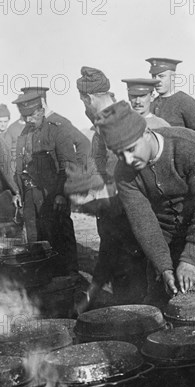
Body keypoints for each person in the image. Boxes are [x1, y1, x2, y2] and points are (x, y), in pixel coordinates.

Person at [96, 101, 195, 304]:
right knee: (162, 300)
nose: (127, 159)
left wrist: (190, 259)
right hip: (167, 233)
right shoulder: (124, 174)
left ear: (146, 132)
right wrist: (164, 268)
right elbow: (144, 223)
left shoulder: (190, 147)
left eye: (131, 149)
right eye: (119, 154)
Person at [72, 67, 148, 308]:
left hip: (129, 204)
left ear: (89, 98)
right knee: (116, 263)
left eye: (85, 102)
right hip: (112, 206)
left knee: (134, 270)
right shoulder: (102, 120)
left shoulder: (119, 119)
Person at [12, 90, 80, 277]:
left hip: (53, 194)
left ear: (41, 110)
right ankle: (43, 277)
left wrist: (61, 193)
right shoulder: (25, 133)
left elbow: (68, 164)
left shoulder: (57, 128)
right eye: (24, 116)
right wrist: (18, 191)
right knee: (35, 236)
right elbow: (20, 165)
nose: (28, 120)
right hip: (30, 193)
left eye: (31, 115)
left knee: (59, 234)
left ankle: (70, 276)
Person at [146, 57, 195, 138]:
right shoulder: (151, 104)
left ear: (173, 77)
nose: (156, 81)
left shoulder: (187, 102)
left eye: (161, 76)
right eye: (154, 76)